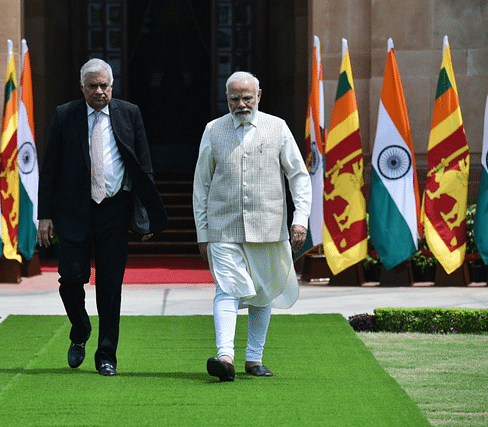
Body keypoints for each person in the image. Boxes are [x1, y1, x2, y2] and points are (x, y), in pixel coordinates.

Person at [37, 58, 167, 376]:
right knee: (70, 280)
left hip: (114, 209)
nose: (99, 91)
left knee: (110, 284)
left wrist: (146, 211)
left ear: (112, 86)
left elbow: (143, 165)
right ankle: (80, 330)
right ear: (82, 87)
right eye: (93, 85)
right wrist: (44, 215)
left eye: (104, 85)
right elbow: (50, 167)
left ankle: (106, 354)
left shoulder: (129, 113)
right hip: (72, 212)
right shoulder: (65, 115)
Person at [193, 71, 311, 382]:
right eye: (235, 99)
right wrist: (203, 233)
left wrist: (300, 219)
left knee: (263, 293)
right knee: (227, 289)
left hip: (269, 226)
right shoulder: (213, 130)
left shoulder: (278, 127)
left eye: (247, 97)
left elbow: (298, 176)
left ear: (259, 95)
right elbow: (201, 184)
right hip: (223, 227)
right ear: (226, 98)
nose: (242, 104)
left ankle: (254, 358)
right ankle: (225, 355)